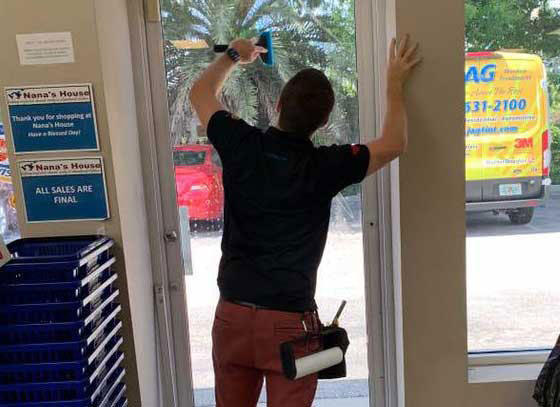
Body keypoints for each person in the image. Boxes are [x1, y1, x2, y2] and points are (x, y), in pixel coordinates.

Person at [189, 34, 421, 407]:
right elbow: (394, 143)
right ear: (324, 122)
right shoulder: (326, 166)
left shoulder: (241, 144)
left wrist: (234, 54)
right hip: (288, 322)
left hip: (232, 314)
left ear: (278, 104)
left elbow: (200, 93)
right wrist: (395, 83)